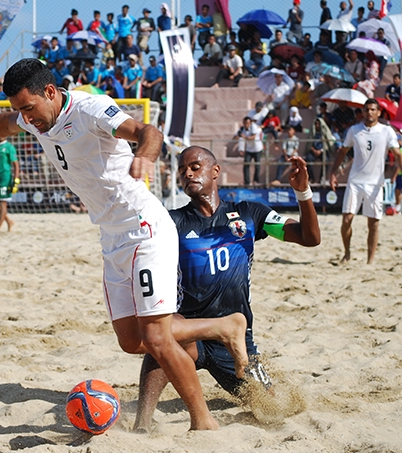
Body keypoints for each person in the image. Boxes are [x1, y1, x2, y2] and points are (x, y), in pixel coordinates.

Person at [0, 58, 250, 431]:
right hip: (111, 235)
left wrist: (143, 157)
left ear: (50, 92)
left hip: (144, 227)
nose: (25, 118)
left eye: (28, 108)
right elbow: (2, 123)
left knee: (157, 338)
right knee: (132, 341)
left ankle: (203, 423)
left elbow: (149, 131)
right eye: (21, 110)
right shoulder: (34, 116)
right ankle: (223, 327)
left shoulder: (90, 108)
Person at [132, 146, 320, 433]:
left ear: (215, 171)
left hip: (238, 346)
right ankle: (142, 424)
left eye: (195, 167)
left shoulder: (249, 214)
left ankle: (234, 343)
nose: (188, 174)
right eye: (183, 171)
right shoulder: (172, 222)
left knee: (270, 409)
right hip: (192, 329)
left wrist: (303, 193)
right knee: (164, 338)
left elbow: (309, 238)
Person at [330, 99, 401, 264]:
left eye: (373, 109)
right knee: (347, 219)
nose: (369, 112)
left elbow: (397, 154)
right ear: (362, 112)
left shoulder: (386, 131)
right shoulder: (354, 130)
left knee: (373, 223)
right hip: (355, 182)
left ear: (378, 112)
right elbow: (343, 151)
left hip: (375, 183)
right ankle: (347, 253)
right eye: (367, 109)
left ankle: (370, 260)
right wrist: (333, 172)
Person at [239, 116, 263, 186]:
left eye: (248, 123)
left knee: (257, 165)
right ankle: (247, 182)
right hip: (249, 149)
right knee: (246, 165)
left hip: (257, 149)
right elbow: (241, 138)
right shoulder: (242, 129)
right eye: (245, 123)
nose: (247, 124)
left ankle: (256, 181)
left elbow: (253, 137)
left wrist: (245, 137)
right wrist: (241, 149)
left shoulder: (254, 127)